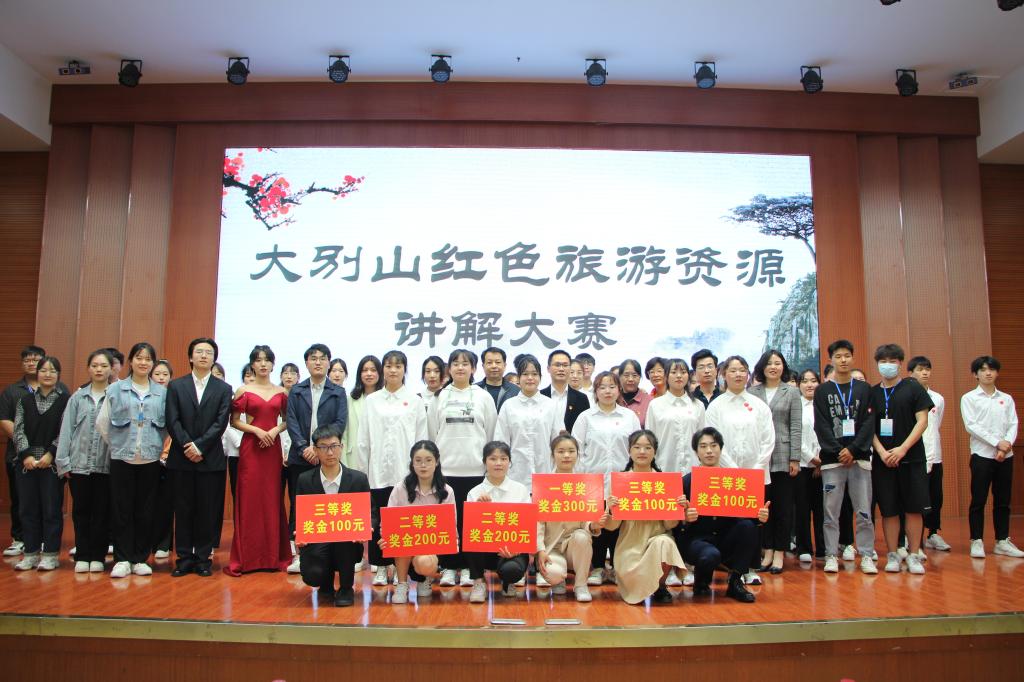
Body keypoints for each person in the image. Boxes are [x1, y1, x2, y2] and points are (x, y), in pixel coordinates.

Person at [96, 342, 168, 578]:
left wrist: (154, 445)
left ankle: (140, 558)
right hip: (122, 459)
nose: (143, 362)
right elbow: (102, 423)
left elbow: (166, 427)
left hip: (149, 459)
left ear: (153, 363)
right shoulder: (116, 390)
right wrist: (119, 444)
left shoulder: (162, 393)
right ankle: (122, 559)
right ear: (130, 361)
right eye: (139, 357)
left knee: (145, 511)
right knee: (121, 510)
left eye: (148, 359)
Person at [357, 349, 428, 586]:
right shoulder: (372, 401)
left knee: (403, 522)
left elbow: (421, 439)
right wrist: (362, 473)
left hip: (405, 473)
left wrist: (420, 472)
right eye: (388, 366)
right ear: (383, 370)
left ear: (405, 370)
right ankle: (380, 567)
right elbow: (363, 439)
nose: (393, 370)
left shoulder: (415, 401)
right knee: (378, 521)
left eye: (398, 366)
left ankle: (402, 569)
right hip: (377, 472)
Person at [676, 427, 770, 603]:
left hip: (725, 538)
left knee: (749, 527)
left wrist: (760, 517)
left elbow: (748, 514)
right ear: (696, 451)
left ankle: (735, 582)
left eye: (714, 445)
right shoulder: (686, 481)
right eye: (703, 446)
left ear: (721, 448)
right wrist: (685, 518)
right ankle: (701, 581)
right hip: (697, 541)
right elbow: (675, 522)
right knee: (709, 555)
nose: (709, 451)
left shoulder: (735, 481)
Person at [428, 349, 497, 588]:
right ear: (449, 369)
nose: (460, 367)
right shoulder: (439, 397)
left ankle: (469, 568)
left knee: (471, 524)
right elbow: (432, 434)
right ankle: (449, 567)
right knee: (448, 522)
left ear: (473, 369)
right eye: (455, 363)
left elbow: (491, 434)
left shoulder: (483, 397)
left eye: (465, 363)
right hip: (446, 471)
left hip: (475, 471)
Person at [164, 338, 233, 577]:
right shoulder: (176, 386)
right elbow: (172, 420)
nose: (204, 356)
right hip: (181, 458)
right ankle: (184, 558)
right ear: (191, 357)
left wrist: (200, 446)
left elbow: (221, 422)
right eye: (199, 352)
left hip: (210, 458)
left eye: (209, 353)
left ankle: (203, 558)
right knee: (183, 509)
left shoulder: (223, 389)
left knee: (207, 510)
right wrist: (188, 445)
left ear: (214, 358)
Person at [704, 355, 774, 584]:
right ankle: (733, 569)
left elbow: (768, 440)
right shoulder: (716, 406)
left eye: (742, 370)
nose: (737, 374)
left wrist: (755, 470)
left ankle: (750, 568)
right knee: (731, 523)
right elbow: (713, 441)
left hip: (756, 475)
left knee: (754, 523)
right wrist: (734, 470)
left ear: (748, 374)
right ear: (724, 375)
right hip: (726, 476)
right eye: (732, 370)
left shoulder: (759, 405)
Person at [224, 345, 292, 576]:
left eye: (267, 360)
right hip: (251, 449)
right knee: (249, 500)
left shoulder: (282, 392)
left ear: (273, 364)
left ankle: (273, 556)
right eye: (259, 360)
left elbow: (287, 420)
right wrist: (256, 431)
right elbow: (234, 421)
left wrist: (274, 431)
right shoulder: (243, 390)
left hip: (272, 449)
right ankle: (248, 558)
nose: (263, 364)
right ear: (252, 364)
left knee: (271, 498)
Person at [814, 339, 878, 575]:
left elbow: (869, 423)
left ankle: (867, 555)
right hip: (832, 462)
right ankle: (831, 554)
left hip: (859, 459)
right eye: (838, 356)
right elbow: (821, 425)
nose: (843, 360)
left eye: (847, 356)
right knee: (830, 512)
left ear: (852, 357)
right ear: (831, 359)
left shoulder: (864, 389)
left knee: (864, 511)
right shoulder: (822, 391)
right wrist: (837, 450)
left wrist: (853, 449)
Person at [572, 370, 641, 586]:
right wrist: (582, 478)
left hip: (623, 481)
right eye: (602, 387)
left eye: (612, 386)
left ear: (619, 390)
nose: (607, 391)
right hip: (593, 481)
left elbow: (638, 447)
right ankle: (598, 567)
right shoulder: (585, 417)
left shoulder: (629, 417)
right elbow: (576, 450)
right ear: (595, 391)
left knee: (620, 525)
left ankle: (617, 567)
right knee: (598, 524)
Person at [284, 344, 348, 574]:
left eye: (322, 358)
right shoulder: (296, 390)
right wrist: (304, 447)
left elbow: (340, 423)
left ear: (329, 362)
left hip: (327, 456)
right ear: (307, 363)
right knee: (299, 506)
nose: (318, 362)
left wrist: (320, 449)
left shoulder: (338, 392)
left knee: (327, 505)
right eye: (313, 358)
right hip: (300, 456)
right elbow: (291, 421)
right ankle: (298, 554)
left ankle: (330, 552)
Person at [869, 344, 933, 575]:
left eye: (893, 361)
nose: (888, 365)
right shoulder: (872, 393)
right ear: (877, 364)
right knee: (889, 510)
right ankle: (893, 554)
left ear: (900, 363)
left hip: (911, 459)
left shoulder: (913, 388)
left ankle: (914, 554)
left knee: (914, 509)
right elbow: (868, 428)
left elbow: (922, 421)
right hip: (883, 461)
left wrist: (903, 449)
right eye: (883, 361)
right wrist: (882, 452)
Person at [604, 430, 686, 604]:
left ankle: (660, 586)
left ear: (655, 452)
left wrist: (677, 509)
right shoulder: (619, 481)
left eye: (648, 447)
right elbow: (612, 527)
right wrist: (611, 509)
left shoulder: (664, 482)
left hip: (655, 538)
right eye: (637, 447)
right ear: (629, 451)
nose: (642, 452)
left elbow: (669, 525)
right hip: (629, 544)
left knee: (665, 542)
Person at [296, 423, 370, 607]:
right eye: (323, 447)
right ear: (315, 450)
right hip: (317, 541)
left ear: (341, 447)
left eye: (334, 446)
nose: (330, 452)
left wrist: (367, 528)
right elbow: (297, 514)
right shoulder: (305, 480)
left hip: (348, 543)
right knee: (312, 574)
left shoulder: (358, 479)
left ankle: (346, 588)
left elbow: (372, 512)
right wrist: (297, 534)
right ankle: (326, 584)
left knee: (344, 538)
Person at [378, 440, 455, 604]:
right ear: (412, 463)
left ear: (437, 462)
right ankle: (402, 584)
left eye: (428, 460)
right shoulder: (400, 488)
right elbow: (388, 521)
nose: (423, 465)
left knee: (424, 562)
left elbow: (450, 525)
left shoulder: (447, 491)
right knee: (401, 539)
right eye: (418, 460)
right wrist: (384, 536)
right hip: (404, 546)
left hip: (431, 547)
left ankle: (425, 579)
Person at [56, 350, 113, 573]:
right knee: (81, 512)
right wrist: (63, 461)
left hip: (105, 466)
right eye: (95, 365)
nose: (99, 369)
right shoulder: (77, 398)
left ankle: (98, 556)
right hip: (79, 464)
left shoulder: (115, 396)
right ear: (88, 368)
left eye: (103, 366)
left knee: (102, 513)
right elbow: (66, 430)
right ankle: (83, 554)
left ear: (111, 369)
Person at [961, 355, 1022, 559]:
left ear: (997, 373)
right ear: (975, 374)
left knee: (1003, 500)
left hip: (1006, 455)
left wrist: (1005, 446)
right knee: (978, 500)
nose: (988, 373)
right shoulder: (969, 398)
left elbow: (1013, 424)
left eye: (992, 369)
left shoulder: (1006, 398)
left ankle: (1002, 541)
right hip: (982, 455)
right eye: (983, 370)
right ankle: (976, 540)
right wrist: (997, 443)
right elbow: (972, 426)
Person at [12, 356, 69, 571]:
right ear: (37, 373)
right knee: (28, 510)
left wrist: (51, 454)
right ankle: (30, 553)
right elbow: (18, 430)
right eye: (44, 370)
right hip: (26, 464)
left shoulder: (66, 400)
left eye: (52, 371)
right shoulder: (24, 400)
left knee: (51, 510)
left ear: (58, 375)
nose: (48, 374)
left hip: (51, 464)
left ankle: (51, 555)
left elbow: (66, 430)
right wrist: (26, 455)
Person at [748, 349, 801, 574]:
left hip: (782, 456)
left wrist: (795, 457)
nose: (773, 367)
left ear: (783, 367)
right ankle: (767, 550)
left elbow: (795, 426)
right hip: (759, 458)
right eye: (769, 363)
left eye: (777, 363)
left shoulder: (792, 392)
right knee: (763, 507)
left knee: (783, 508)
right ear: (762, 367)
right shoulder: (752, 392)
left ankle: (779, 552)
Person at [535, 434, 602, 602]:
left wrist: (593, 525)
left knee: (582, 536)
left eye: (571, 451)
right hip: (552, 547)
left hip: (574, 544)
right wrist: (540, 550)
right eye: (561, 451)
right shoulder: (544, 483)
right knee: (553, 574)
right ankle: (559, 580)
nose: (566, 455)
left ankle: (581, 585)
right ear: (552, 455)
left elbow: (587, 521)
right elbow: (538, 522)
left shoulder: (584, 484)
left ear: (578, 454)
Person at [1, 345, 52, 558]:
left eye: (35, 359)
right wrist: (26, 447)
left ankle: (44, 540)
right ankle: (20, 538)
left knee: (47, 500)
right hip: (18, 455)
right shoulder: (12, 391)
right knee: (20, 499)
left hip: (49, 456)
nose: (31, 363)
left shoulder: (58, 390)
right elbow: (5, 420)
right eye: (27, 360)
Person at [465, 441, 532, 603]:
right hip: (484, 551)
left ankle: (508, 582)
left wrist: (517, 549)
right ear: (484, 462)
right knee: (471, 535)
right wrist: (480, 511)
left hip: (512, 549)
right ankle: (479, 582)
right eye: (493, 459)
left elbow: (527, 525)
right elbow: (471, 531)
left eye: (503, 458)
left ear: (509, 462)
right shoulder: (475, 492)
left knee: (512, 570)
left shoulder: (521, 490)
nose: (498, 463)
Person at [494, 354, 562, 489]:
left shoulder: (551, 405)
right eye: (525, 374)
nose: (530, 378)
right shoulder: (509, 406)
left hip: (546, 473)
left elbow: (558, 442)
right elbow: (501, 442)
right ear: (519, 378)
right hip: (515, 475)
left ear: (540, 377)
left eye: (534, 374)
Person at [908, 356, 950, 552]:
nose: (925, 372)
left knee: (936, 497)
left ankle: (933, 533)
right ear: (910, 373)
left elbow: (935, 425)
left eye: (927, 369)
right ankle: (911, 538)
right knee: (915, 497)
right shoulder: (906, 396)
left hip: (935, 454)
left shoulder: (938, 398)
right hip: (914, 455)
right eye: (920, 369)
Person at [646, 358, 706, 476]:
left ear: (688, 376)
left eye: (683, 372)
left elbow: (702, 439)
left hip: (693, 469)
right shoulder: (655, 405)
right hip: (664, 468)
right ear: (666, 376)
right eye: (673, 372)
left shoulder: (698, 405)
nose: (679, 376)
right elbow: (650, 440)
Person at [794, 369, 825, 564]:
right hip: (803, 464)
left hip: (825, 464)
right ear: (799, 385)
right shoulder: (796, 405)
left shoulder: (824, 404)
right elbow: (795, 435)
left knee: (823, 509)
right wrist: (812, 459)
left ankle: (823, 548)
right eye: (805, 381)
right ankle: (804, 547)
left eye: (813, 381)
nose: (809, 385)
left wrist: (822, 460)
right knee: (802, 508)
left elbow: (828, 433)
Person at [151, 359, 175, 560]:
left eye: (165, 374)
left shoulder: (174, 398)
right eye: (157, 374)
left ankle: (163, 544)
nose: (161, 378)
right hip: (146, 457)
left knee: (166, 503)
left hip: (169, 458)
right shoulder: (146, 396)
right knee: (146, 502)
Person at [343, 355, 381, 470]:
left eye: (373, 370)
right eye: (365, 370)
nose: (369, 374)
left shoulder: (386, 400)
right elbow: (344, 433)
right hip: (354, 455)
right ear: (359, 374)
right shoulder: (349, 400)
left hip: (379, 454)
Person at [541, 349, 590, 433]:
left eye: (565, 365)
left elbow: (586, 428)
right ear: (548, 369)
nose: (561, 369)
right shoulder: (540, 395)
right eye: (557, 365)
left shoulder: (581, 398)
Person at [477, 346, 520, 413]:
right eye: (489, 362)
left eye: (498, 362)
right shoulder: (474, 390)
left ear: (504, 365)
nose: (494, 366)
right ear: (483, 366)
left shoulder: (516, 391)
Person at [618, 359, 653, 427]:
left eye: (634, 375)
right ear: (619, 377)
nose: (630, 379)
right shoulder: (613, 399)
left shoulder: (650, 402)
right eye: (626, 375)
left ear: (640, 377)